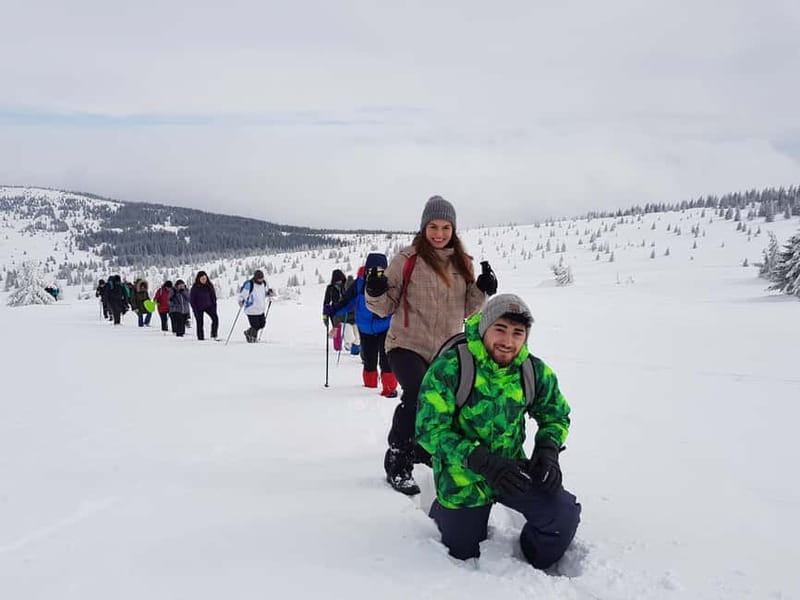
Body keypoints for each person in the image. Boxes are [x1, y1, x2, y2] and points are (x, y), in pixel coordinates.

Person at [416, 293, 580, 569]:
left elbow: (556, 413)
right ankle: (444, 511)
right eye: (500, 329)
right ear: (484, 328)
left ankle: (531, 559)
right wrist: (480, 460)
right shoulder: (451, 367)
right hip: (463, 476)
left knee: (561, 516)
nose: (508, 341)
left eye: (518, 333)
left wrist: (548, 449)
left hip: (511, 470)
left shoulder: (532, 370)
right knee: (463, 553)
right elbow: (429, 430)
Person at [365, 195, 498, 495]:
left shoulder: (462, 263)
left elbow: (467, 309)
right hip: (406, 344)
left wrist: (482, 289)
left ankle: (423, 448)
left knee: (444, 404)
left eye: (446, 227)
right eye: (433, 226)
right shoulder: (407, 260)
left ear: (454, 229)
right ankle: (398, 461)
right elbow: (383, 307)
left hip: (445, 349)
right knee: (418, 394)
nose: (439, 233)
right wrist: (374, 292)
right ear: (424, 227)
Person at [323, 255, 397, 396]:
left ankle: (389, 388)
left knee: (386, 359)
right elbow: (346, 302)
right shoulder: (359, 284)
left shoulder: (391, 284)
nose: (375, 274)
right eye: (371, 271)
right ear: (366, 271)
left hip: (385, 327)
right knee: (369, 359)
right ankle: (369, 387)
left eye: (380, 271)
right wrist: (332, 310)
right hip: (365, 328)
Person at [238, 269, 273, 343]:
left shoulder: (263, 284)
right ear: (256, 278)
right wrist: (241, 301)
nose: (261, 280)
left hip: (260, 309)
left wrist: (268, 293)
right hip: (251, 309)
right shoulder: (250, 284)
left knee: (262, 324)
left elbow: (263, 294)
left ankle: (248, 333)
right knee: (255, 325)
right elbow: (243, 294)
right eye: (260, 278)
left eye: (262, 278)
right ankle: (252, 339)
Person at [322, 269, 347, 351]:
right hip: (335, 311)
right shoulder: (330, 288)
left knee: (348, 329)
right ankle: (337, 347)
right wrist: (325, 315)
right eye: (337, 280)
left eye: (340, 280)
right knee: (337, 328)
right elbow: (326, 302)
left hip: (346, 310)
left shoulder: (346, 286)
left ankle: (349, 346)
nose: (339, 282)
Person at [190, 271, 219, 341]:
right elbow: (192, 299)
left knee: (215, 319)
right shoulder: (195, 287)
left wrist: (214, 306)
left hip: (209, 306)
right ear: (199, 279)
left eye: (205, 278)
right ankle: (200, 338)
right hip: (198, 307)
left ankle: (214, 335)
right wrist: (194, 309)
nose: (204, 280)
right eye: (202, 278)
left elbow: (213, 297)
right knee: (200, 322)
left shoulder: (209, 285)